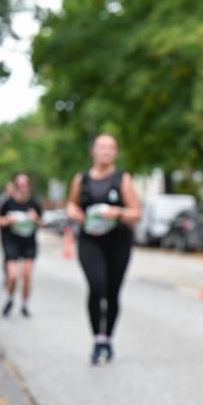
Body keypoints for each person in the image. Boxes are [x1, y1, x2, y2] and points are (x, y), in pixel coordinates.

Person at [67, 133, 141, 364]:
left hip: (118, 241)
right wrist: (72, 211)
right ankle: (97, 337)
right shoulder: (82, 179)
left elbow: (136, 213)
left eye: (110, 148)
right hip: (90, 240)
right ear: (93, 151)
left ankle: (107, 337)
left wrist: (116, 212)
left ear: (115, 152)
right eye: (101, 147)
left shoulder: (122, 179)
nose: (106, 151)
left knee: (112, 292)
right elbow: (72, 203)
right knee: (96, 286)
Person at [0, 173, 42, 318]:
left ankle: (24, 305)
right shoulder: (7, 203)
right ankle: (10, 299)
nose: (22, 188)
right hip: (12, 242)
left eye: (25, 185)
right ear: (15, 187)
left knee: (27, 275)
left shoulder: (34, 203)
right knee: (13, 276)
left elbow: (42, 222)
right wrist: (8, 220)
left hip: (29, 242)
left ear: (29, 186)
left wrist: (35, 219)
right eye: (19, 185)